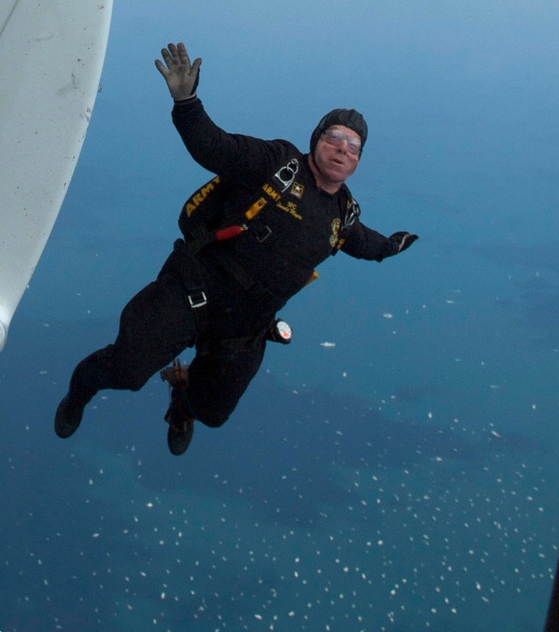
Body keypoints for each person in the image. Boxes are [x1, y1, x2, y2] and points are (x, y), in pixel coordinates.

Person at [55, 43, 419, 456]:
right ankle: (78, 394)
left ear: (357, 162)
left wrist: (390, 247)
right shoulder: (277, 164)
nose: (342, 149)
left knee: (213, 412)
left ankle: (183, 406)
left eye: (354, 147)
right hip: (194, 291)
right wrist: (186, 101)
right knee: (124, 370)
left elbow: (364, 243)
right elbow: (214, 147)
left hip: (246, 325)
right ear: (316, 139)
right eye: (335, 138)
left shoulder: (344, 214)